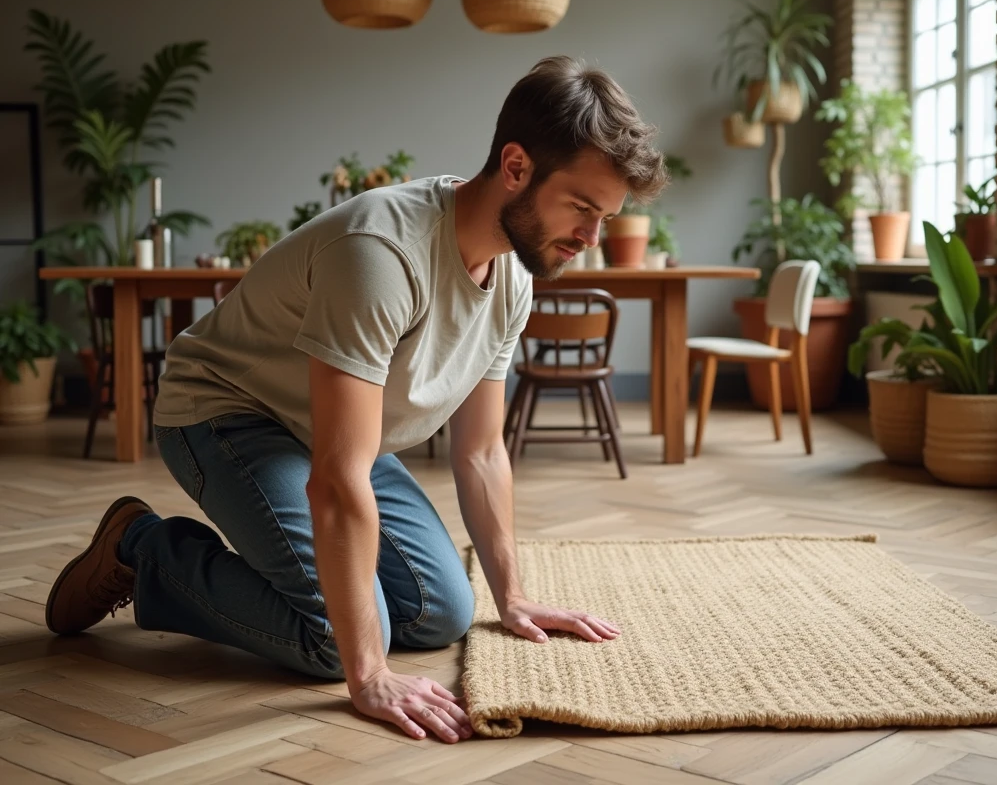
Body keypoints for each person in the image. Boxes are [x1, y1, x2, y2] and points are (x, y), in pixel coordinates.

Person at [44, 55, 668, 744]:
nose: (592, 238)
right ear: (515, 167)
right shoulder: (382, 251)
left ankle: (272, 565)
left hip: (334, 432)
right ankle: (144, 549)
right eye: (582, 208)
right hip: (227, 412)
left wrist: (513, 596)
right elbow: (338, 481)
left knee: (440, 612)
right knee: (329, 643)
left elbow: (483, 450)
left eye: (605, 217)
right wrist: (367, 674)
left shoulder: (512, 280)